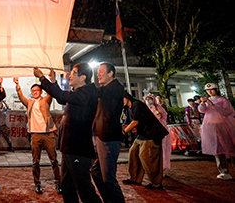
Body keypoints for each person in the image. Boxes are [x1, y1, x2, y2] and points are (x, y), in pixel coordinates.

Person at [34, 64, 102, 203]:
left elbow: (60, 95)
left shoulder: (86, 92)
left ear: (83, 77)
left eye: (73, 73)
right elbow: (61, 98)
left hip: (78, 147)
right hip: (70, 147)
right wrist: (53, 82)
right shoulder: (80, 91)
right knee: (67, 186)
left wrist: (42, 78)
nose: (69, 75)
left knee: (84, 189)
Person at [13, 78, 61, 195]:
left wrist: (50, 80)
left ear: (41, 91)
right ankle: (37, 184)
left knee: (54, 160)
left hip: (48, 134)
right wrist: (18, 85)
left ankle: (58, 183)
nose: (34, 92)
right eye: (33, 90)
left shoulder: (46, 100)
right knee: (36, 161)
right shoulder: (30, 102)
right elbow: (21, 97)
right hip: (35, 135)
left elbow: (51, 92)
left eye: (37, 90)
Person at [92, 62, 125, 203]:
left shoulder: (116, 88)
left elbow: (96, 92)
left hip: (109, 137)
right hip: (99, 135)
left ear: (111, 73)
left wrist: (83, 80)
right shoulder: (104, 89)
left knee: (108, 178)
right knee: (96, 172)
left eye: (101, 71)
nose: (98, 74)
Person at [122, 92, 169, 190]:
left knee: (146, 156)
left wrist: (124, 131)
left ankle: (156, 183)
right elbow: (127, 122)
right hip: (142, 134)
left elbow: (135, 122)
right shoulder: (127, 108)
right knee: (133, 152)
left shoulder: (137, 105)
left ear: (126, 97)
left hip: (152, 134)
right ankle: (134, 178)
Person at [198, 83, 235, 180]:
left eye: (212, 90)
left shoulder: (223, 100)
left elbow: (227, 112)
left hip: (223, 126)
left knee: (230, 147)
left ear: (216, 89)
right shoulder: (207, 100)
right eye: (207, 90)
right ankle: (224, 171)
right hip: (211, 127)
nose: (209, 92)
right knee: (217, 149)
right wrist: (202, 104)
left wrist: (213, 105)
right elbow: (202, 111)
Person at [146, 94, 171, 173]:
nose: (148, 100)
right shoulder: (148, 109)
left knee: (162, 148)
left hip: (160, 131)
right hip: (152, 131)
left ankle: (163, 168)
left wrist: (155, 108)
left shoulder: (160, 108)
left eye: (149, 99)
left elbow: (160, 116)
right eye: (147, 99)